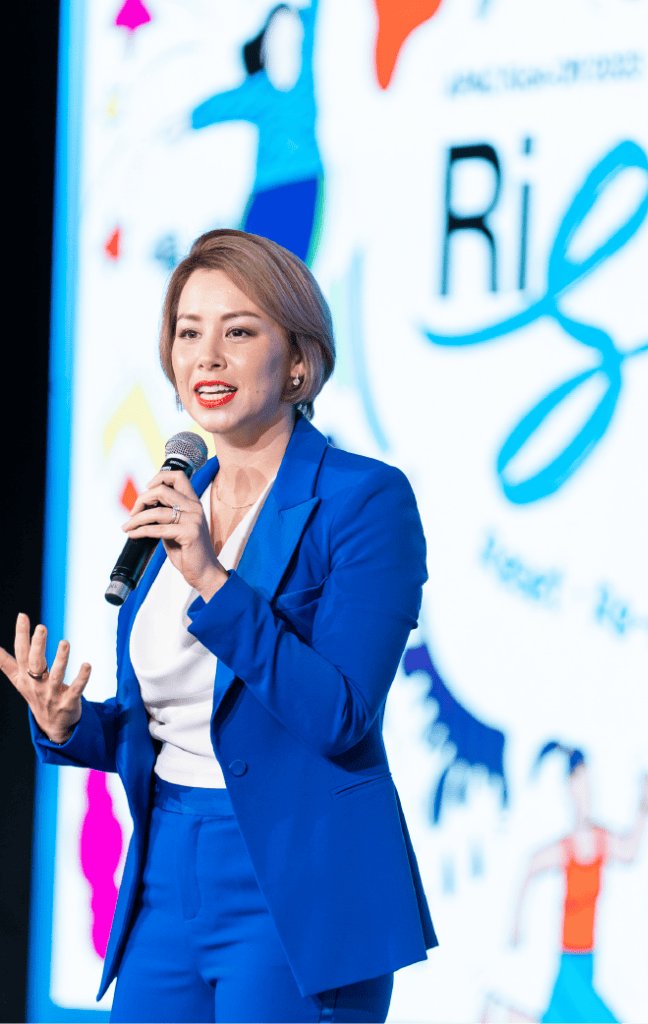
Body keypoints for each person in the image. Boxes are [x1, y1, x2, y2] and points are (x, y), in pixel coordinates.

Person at [1, 229, 436, 1023]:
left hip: (297, 884)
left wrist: (209, 576)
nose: (208, 355)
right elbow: (182, 719)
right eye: (188, 332)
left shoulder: (366, 502)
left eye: (239, 331)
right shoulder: (180, 494)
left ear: (299, 361)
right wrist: (70, 725)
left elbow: (340, 715)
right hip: (166, 872)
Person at [511, 743, 648, 1024]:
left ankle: (495, 1013)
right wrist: (517, 922)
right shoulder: (566, 849)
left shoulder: (602, 841)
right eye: (581, 785)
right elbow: (531, 866)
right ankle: (495, 1014)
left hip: (588, 961)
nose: (587, 794)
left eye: (590, 785)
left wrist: (643, 809)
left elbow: (629, 851)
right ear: (570, 789)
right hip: (569, 962)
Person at [191, 2, 324, 263]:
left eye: (291, 42)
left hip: (303, 182)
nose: (284, 49)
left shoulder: (303, 79)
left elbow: (313, 15)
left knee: (291, 271)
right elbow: (221, 105)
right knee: (250, 265)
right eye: (276, 43)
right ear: (264, 51)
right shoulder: (260, 93)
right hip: (267, 189)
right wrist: (189, 119)